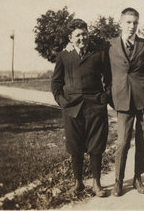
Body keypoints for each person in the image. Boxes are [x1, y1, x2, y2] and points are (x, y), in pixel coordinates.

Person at [51, 18, 111, 197]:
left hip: (95, 106)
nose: (82, 38)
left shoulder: (99, 53)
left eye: (84, 34)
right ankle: (78, 183)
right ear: (70, 38)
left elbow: (109, 79)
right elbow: (56, 83)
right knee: (75, 146)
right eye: (77, 35)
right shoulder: (64, 56)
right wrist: (62, 102)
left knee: (96, 145)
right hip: (72, 108)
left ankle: (96, 183)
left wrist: (105, 97)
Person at [108, 8, 144, 196]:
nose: (131, 26)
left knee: (143, 140)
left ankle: (138, 178)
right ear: (120, 23)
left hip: (143, 99)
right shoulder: (109, 46)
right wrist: (110, 95)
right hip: (121, 100)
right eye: (128, 22)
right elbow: (104, 72)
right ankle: (118, 181)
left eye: (135, 22)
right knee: (123, 142)